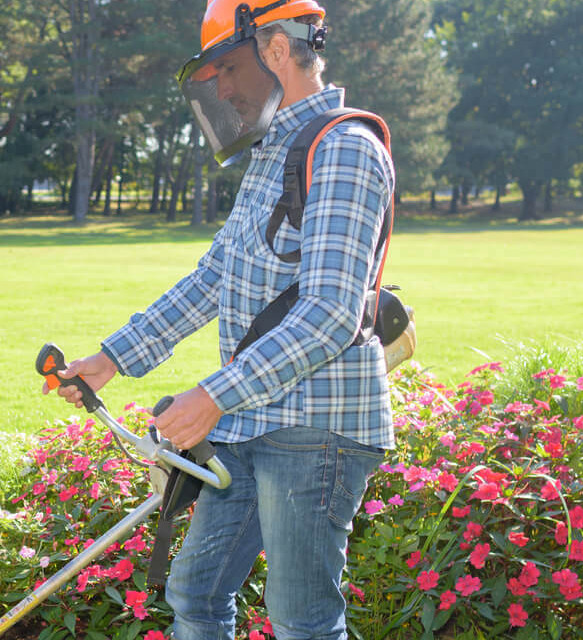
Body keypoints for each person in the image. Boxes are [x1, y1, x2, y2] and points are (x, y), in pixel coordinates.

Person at [43, 1, 395, 638]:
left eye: (229, 67)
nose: (222, 87)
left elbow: (329, 314)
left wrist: (211, 396)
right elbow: (215, 278)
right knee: (195, 594)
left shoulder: (344, 149)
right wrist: (112, 357)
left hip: (316, 425)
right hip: (255, 412)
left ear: (279, 50)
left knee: (302, 621)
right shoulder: (274, 150)